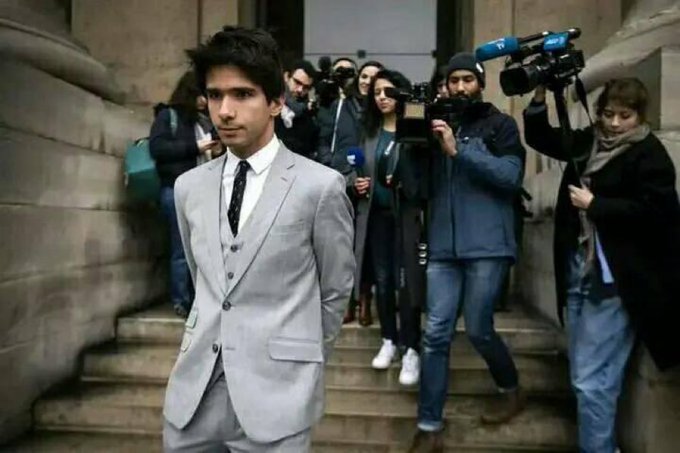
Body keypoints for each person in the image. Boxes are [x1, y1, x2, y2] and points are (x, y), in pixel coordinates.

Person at [162, 26, 355, 452]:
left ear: (276, 101)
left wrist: (300, 360)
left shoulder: (320, 187)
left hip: (278, 396)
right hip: (194, 396)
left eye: (243, 94)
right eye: (215, 95)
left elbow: (336, 289)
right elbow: (204, 278)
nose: (225, 111)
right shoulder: (188, 187)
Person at [523, 78, 680, 453]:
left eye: (625, 116)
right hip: (580, 271)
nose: (614, 124)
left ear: (640, 116)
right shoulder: (589, 142)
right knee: (586, 377)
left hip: (616, 282)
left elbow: (658, 213)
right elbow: (543, 138)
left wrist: (596, 205)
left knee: (591, 382)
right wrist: (541, 93)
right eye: (608, 114)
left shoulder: (649, 153)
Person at [409, 53, 526, 453]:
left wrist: (459, 149)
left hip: (488, 246)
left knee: (478, 328)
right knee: (435, 334)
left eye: (467, 80)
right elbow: (415, 187)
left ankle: (510, 387)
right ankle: (429, 427)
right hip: (443, 247)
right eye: (452, 80)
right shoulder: (435, 126)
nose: (459, 87)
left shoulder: (500, 124)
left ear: (480, 83)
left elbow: (511, 176)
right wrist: (415, 143)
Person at [353, 69, 422, 386]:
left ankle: (411, 348)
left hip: (407, 217)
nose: (381, 97)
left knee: (406, 283)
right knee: (382, 280)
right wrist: (356, 183)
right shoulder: (368, 131)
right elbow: (351, 166)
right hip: (376, 216)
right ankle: (389, 340)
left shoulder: (413, 127)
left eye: (388, 91)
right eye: (377, 92)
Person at [149, 71, 221, 318]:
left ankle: (199, 298)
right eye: (203, 94)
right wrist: (195, 147)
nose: (206, 100)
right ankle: (182, 300)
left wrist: (215, 150)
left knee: (204, 248)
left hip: (204, 191)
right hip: (176, 190)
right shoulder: (168, 116)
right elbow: (157, 148)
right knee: (181, 248)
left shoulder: (205, 121)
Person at [317, 60, 384, 326]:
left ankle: (365, 298)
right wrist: (331, 165)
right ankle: (346, 300)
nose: (367, 81)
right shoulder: (340, 106)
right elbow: (325, 140)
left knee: (366, 247)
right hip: (341, 181)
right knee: (342, 246)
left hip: (370, 183)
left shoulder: (380, 110)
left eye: (373, 77)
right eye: (364, 76)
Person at [275, 59, 319, 159]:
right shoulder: (267, 108)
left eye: (306, 87)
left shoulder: (309, 120)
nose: (300, 90)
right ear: (286, 77)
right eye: (297, 82)